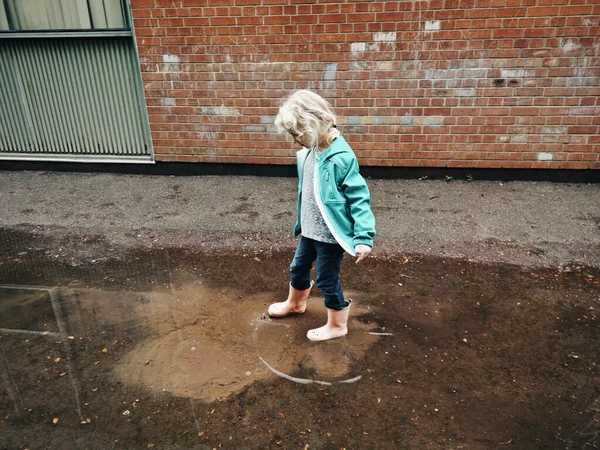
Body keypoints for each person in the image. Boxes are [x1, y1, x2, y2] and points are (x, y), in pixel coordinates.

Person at [268, 90, 376, 342]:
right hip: (309, 229)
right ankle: (296, 304)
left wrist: (363, 237)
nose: (295, 140)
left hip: (329, 235)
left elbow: (359, 199)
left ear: (314, 125)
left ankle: (338, 325)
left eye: (297, 134)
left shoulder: (341, 158)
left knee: (327, 280)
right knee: (298, 267)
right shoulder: (312, 149)